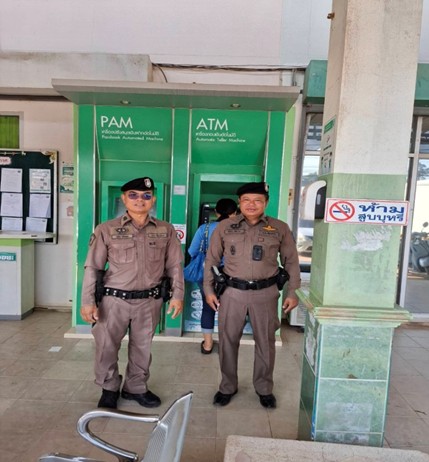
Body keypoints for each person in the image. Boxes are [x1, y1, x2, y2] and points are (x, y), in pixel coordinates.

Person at [80, 177, 184, 409]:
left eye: (146, 196)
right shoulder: (106, 229)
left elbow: (175, 266)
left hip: (149, 301)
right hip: (113, 301)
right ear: (124, 199)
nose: (140, 200)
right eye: (133, 195)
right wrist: (87, 301)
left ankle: (135, 388)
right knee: (106, 347)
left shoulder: (165, 230)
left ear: (153, 200)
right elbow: (93, 267)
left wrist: (177, 295)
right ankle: (109, 388)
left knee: (142, 348)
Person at [203, 181, 301, 409]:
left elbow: (291, 262)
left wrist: (293, 292)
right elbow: (212, 260)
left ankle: (264, 388)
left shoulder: (279, 228)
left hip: (265, 294)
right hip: (232, 293)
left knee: (265, 343)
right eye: (246, 200)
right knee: (227, 341)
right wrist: (208, 289)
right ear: (239, 203)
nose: (251, 204)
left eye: (258, 200)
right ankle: (227, 386)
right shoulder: (225, 226)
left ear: (266, 203)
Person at [187, 198, 238, 354]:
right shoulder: (239, 230)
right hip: (232, 275)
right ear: (235, 213)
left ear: (216, 212)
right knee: (229, 310)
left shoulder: (205, 228)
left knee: (208, 307)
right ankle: (227, 345)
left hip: (207, 273)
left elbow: (192, 251)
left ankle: (208, 345)